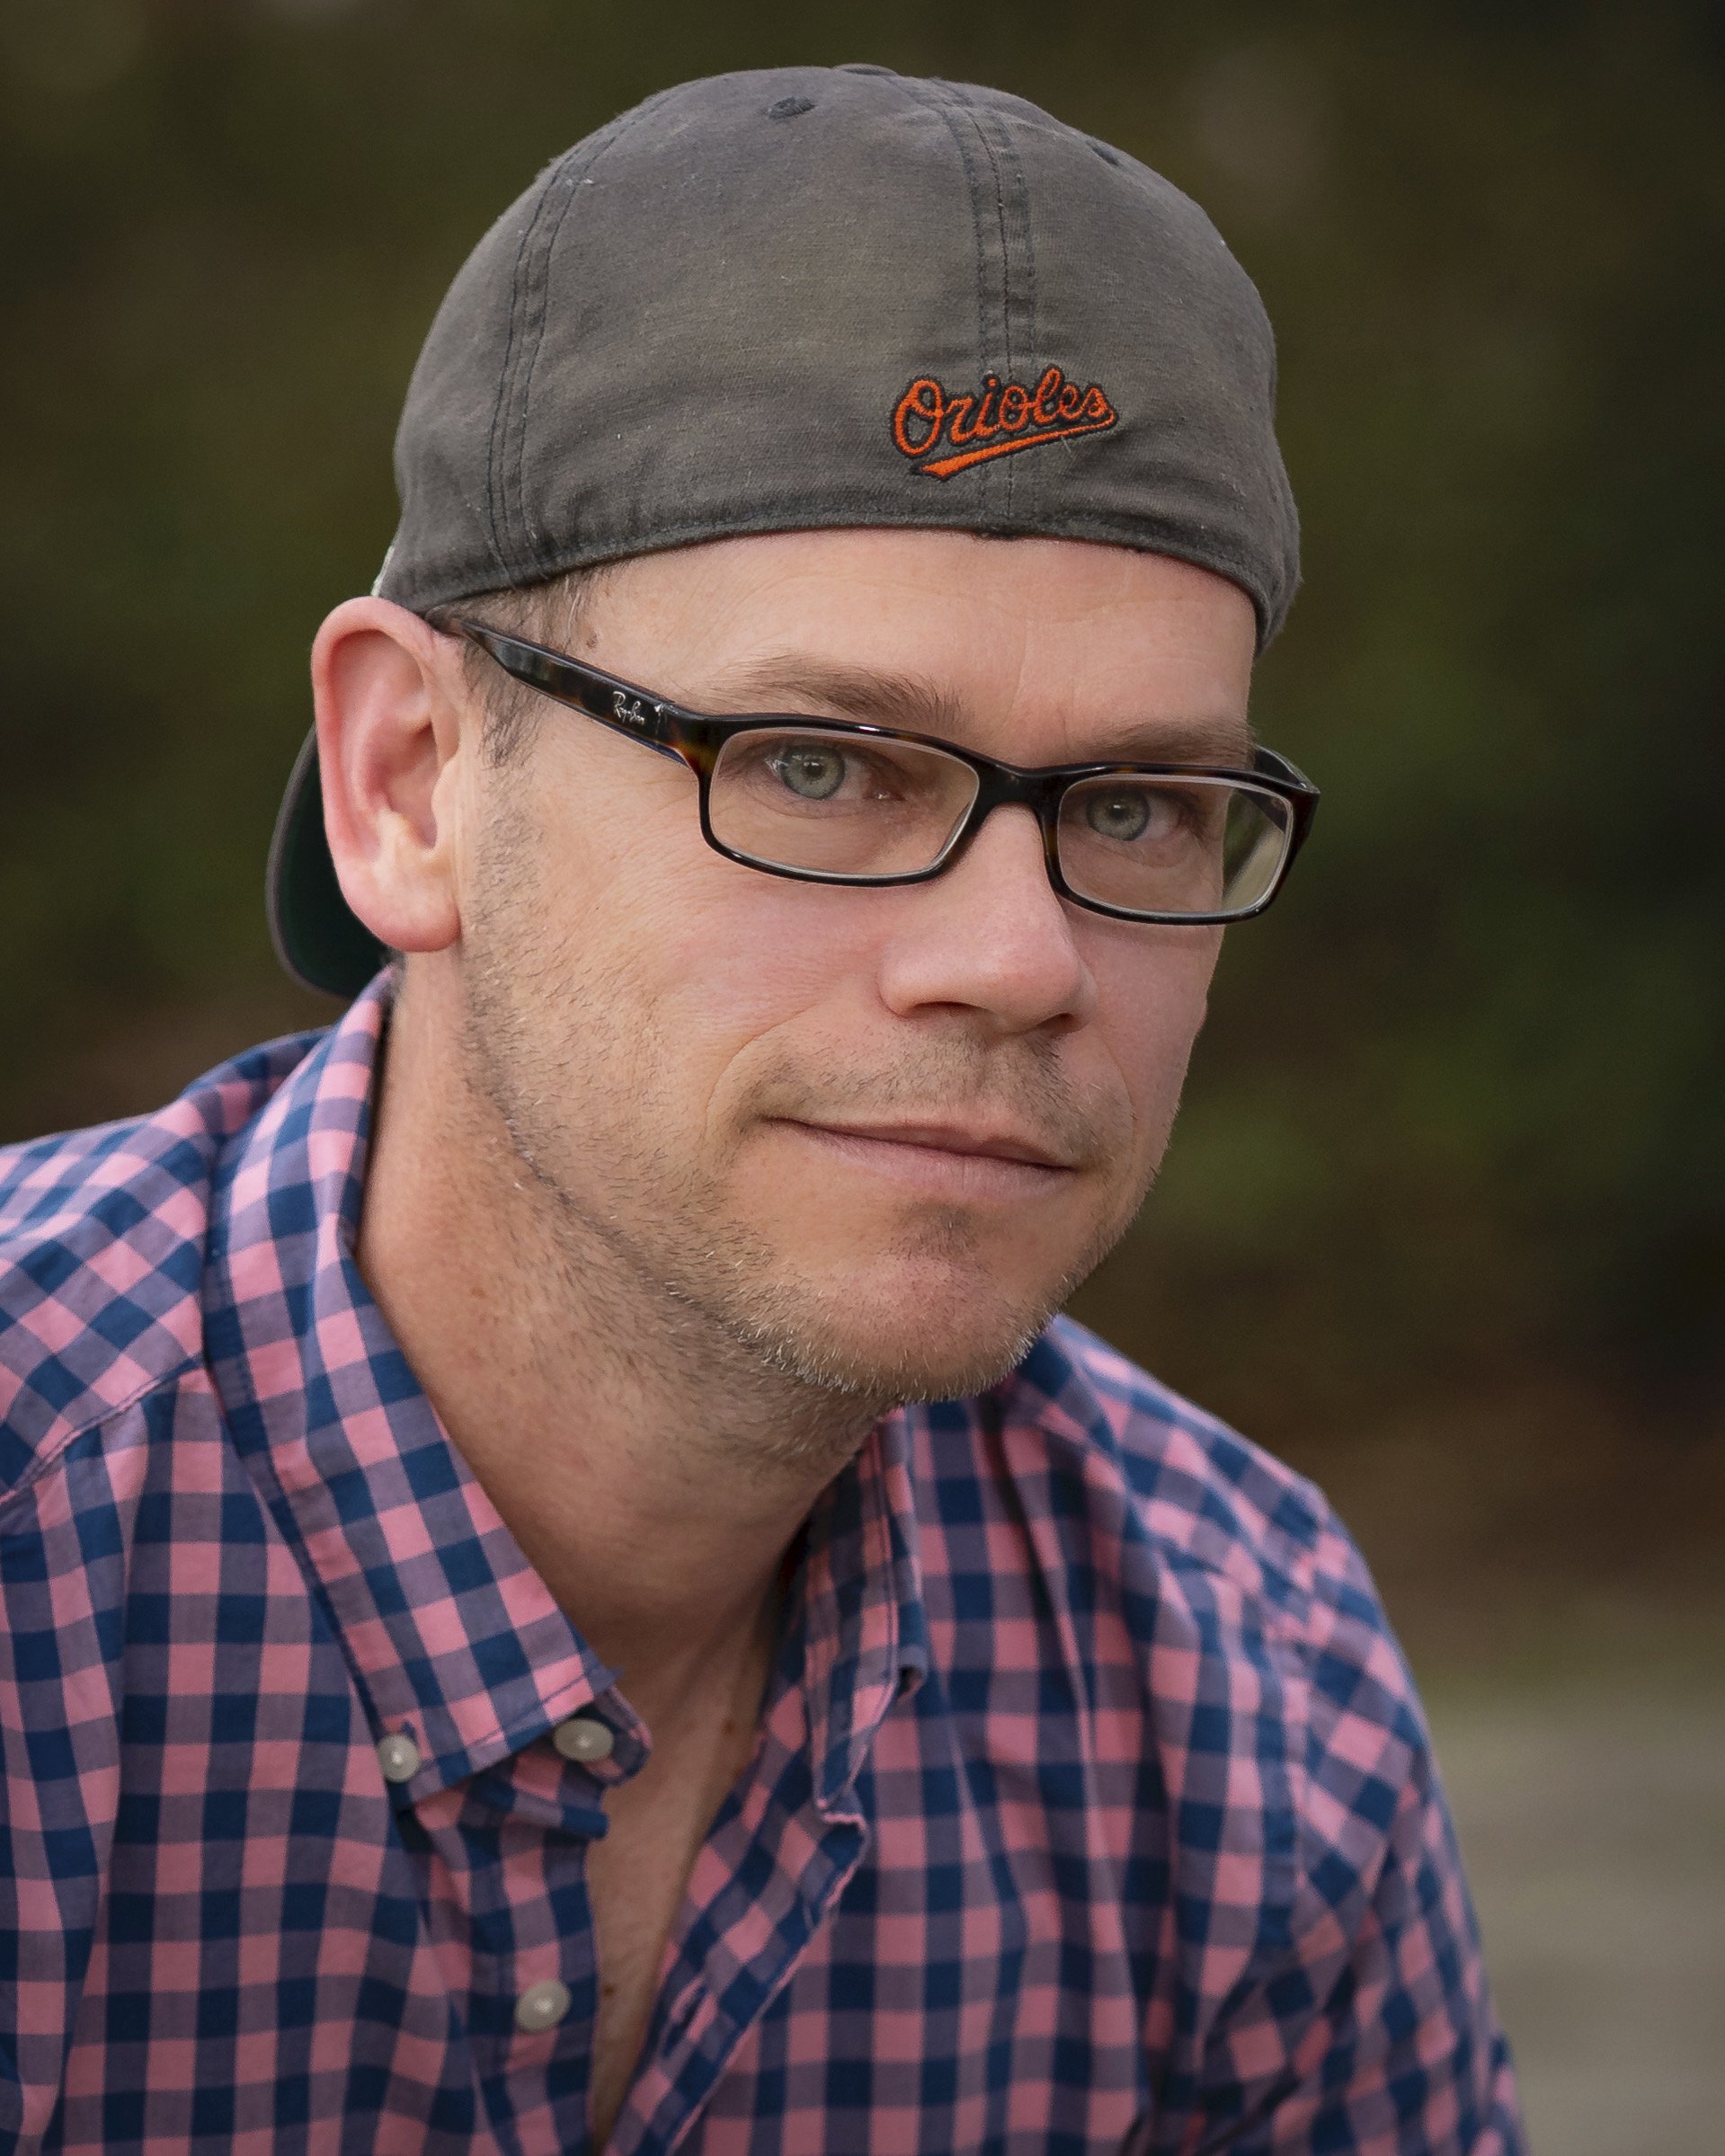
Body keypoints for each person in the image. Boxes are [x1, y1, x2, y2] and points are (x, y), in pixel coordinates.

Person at [0, 64, 1525, 2156]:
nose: (1022, 956)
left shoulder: (1247, 1697)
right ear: (412, 784)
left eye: (1143, 806)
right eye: (820, 762)